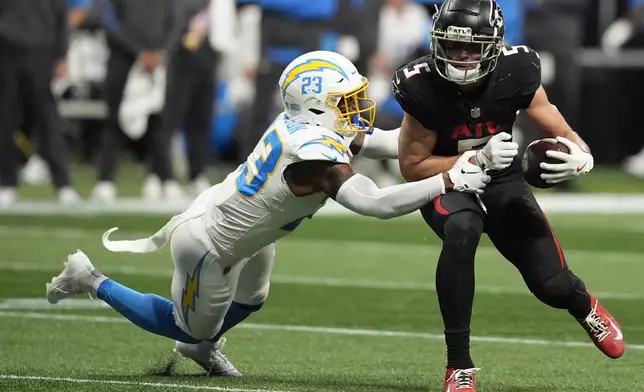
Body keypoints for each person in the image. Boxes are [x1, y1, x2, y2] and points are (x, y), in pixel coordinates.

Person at [46, 50, 490, 376]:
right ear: (318, 106)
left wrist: (465, 145)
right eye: (346, 100)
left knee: (253, 298)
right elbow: (374, 203)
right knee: (188, 329)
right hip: (210, 244)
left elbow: (389, 143)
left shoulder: (310, 124)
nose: (357, 108)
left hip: (243, 225)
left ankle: (202, 347)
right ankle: (90, 278)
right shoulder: (314, 152)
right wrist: (447, 180)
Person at [392, 1, 625, 391]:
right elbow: (413, 167)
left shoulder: (517, 69)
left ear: (495, 45)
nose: (461, 58)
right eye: (451, 46)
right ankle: (458, 364)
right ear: (436, 43)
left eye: (471, 48)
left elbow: (559, 127)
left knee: (553, 286)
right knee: (462, 229)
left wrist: (581, 157)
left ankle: (584, 305)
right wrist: (472, 159)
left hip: (502, 177)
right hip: (451, 180)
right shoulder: (421, 84)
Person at [0, 0, 79, 207]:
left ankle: (63, 185)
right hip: (7, 51)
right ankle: (7, 184)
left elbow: (62, 17)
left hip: (42, 51)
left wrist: (62, 54)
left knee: (48, 119)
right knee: (5, 121)